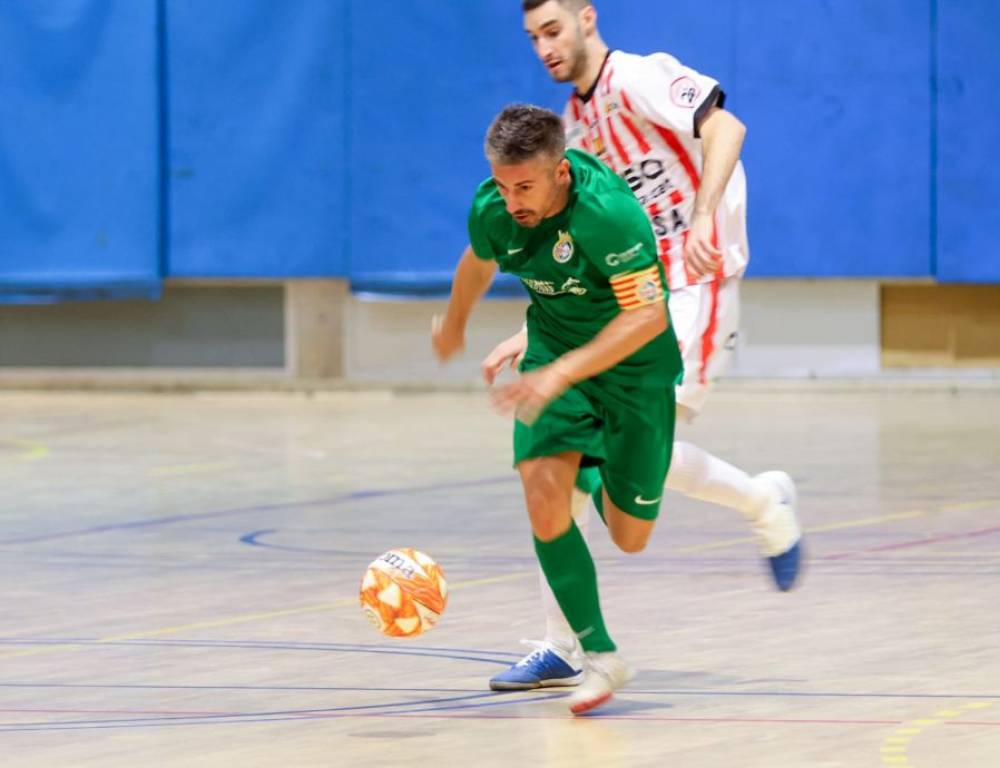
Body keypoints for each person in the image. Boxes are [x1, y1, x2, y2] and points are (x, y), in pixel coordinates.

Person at [482, 0, 804, 692]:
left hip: (693, 284)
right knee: (558, 461)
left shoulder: (636, 79)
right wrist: (536, 328)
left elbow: (727, 126)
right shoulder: (568, 134)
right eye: (533, 36)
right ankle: (564, 644)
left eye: (553, 29)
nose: (544, 46)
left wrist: (701, 216)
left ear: (587, 18)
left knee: (636, 459)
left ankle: (763, 503)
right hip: (628, 297)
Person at [432, 103, 683, 714]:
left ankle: (592, 464)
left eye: (524, 186)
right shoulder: (495, 208)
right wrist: (456, 322)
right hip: (553, 352)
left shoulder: (609, 216)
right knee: (542, 494)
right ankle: (599, 656)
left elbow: (646, 316)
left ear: (560, 172)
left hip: (633, 368)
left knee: (630, 536)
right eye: (501, 183)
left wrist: (563, 373)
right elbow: (478, 260)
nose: (511, 200)